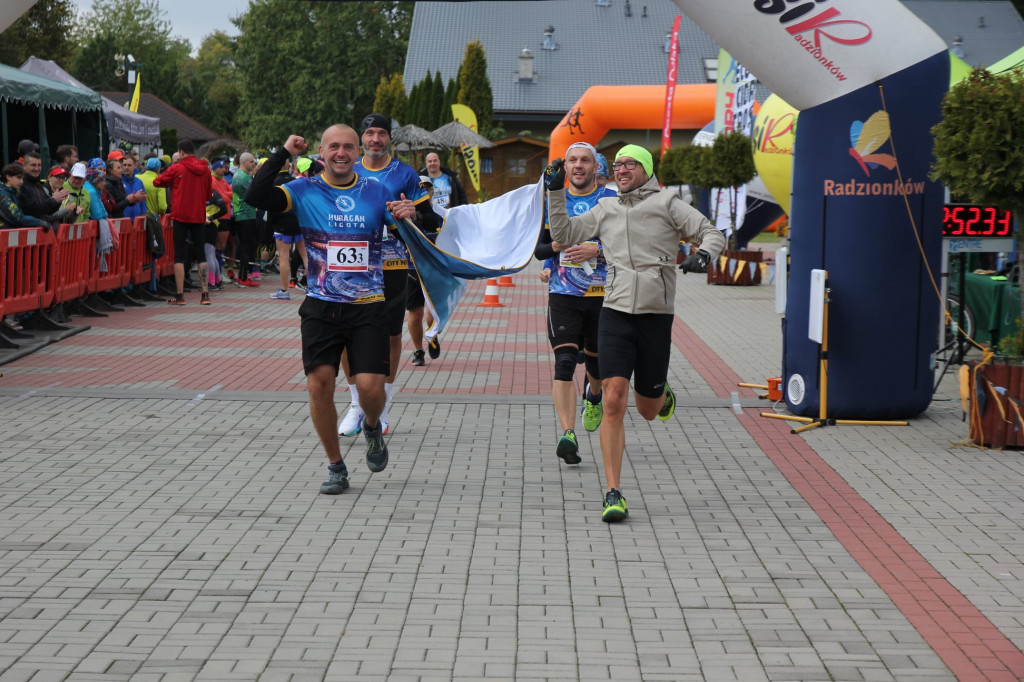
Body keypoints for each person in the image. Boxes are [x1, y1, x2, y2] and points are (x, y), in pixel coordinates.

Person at [546, 144, 726, 522]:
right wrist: (555, 191)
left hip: (656, 315)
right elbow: (563, 233)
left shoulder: (668, 202)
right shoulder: (606, 207)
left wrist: (704, 255)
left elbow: (711, 231)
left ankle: (660, 394)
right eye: (618, 165)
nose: (622, 169)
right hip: (614, 312)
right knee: (612, 400)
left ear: (645, 169)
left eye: (630, 164)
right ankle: (614, 492)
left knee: (647, 409)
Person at [244, 124, 417, 494]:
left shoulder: (375, 190)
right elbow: (256, 195)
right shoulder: (305, 189)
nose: (341, 153)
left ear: (358, 152)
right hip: (322, 306)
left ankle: (372, 425)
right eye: (333, 147)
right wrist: (283, 153)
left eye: (348, 147)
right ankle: (336, 466)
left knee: (372, 388)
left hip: (369, 304)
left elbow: (404, 231)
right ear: (321, 152)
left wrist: (408, 214)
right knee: (319, 385)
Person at [337, 113, 428, 437]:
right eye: (370, 133)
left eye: (382, 134)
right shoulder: (346, 168)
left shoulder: (404, 173)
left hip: (391, 265)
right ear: (362, 138)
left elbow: (429, 218)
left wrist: (414, 212)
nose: (376, 139)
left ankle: (383, 404)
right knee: (346, 336)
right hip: (350, 264)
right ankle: (355, 405)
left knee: (391, 336)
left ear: (390, 138)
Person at [535, 142, 616, 466]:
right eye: (573, 160)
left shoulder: (611, 201)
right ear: (565, 168)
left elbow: (630, 242)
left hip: (605, 295)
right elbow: (539, 250)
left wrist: (596, 250)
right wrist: (555, 246)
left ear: (596, 168)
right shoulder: (553, 201)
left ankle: (593, 396)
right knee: (565, 362)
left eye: (586, 160)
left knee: (596, 366)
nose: (579, 165)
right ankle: (567, 433)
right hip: (564, 294)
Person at [153, 139, 213, 305]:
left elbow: (157, 181)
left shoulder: (177, 167)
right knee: (201, 254)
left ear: (180, 152)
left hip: (180, 215)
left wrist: (173, 182)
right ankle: (205, 295)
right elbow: (208, 195)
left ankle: (179, 296)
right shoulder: (206, 170)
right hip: (199, 215)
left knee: (179, 255)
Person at [406, 176, 444, 367]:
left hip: (433, 269)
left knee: (431, 313)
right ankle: (418, 350)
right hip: (411, 268)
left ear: (431, 192)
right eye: (419, 188)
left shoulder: (441, 214)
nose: (423, 191)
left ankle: (432, 334)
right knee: (414, 313)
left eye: (426, 188)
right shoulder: (404, 212)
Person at [268, 156, 306, 300]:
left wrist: (273, 223)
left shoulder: (274, 183)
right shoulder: (295, 181)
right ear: (289, 165)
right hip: (297, 222)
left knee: (284, 257)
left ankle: (284, 291)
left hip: (281, 223)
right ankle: (312, 284)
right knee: (305, 255)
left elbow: (271, 206)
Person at [231, 152, 260, 287]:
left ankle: (243, 275)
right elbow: (255, 193)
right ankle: (242, 277)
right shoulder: (243, 177)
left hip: (243, 214)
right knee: (246, 247)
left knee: (245, 247)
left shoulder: (239, 175)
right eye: (252, 162)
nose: (253, 164)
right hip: (245, 215)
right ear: (244, 162)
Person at [20, 151, 68, 220]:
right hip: (28, 229)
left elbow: (48, 212)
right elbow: (32, 211)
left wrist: (58, 201)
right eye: (33, 165)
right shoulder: (21, 185)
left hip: (41, 229)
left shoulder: (38, 186)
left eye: (39, 165)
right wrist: (53, 200)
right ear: (24, 166)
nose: (36, 168)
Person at [209, 159, 234, 290]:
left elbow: (231, 194)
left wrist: (227, 195)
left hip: (226, 216)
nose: (223, 170)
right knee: (217, 247)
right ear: (214, 168)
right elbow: (222, 198)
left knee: (221, 247)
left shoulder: (223, 180)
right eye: (220, 168)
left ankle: (218, 274)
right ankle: (216, 276)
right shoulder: (212, 180)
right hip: (218, 217)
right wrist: (227, 196)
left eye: (224, 168)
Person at [120, 155, 147, 222]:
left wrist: (144, 216)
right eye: (124, 165)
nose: (126, 167)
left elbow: (142, 202)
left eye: (129, 165)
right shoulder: (119, 181)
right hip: (123, 220)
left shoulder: (139, 182)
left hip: (137, 220)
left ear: (135, 165)